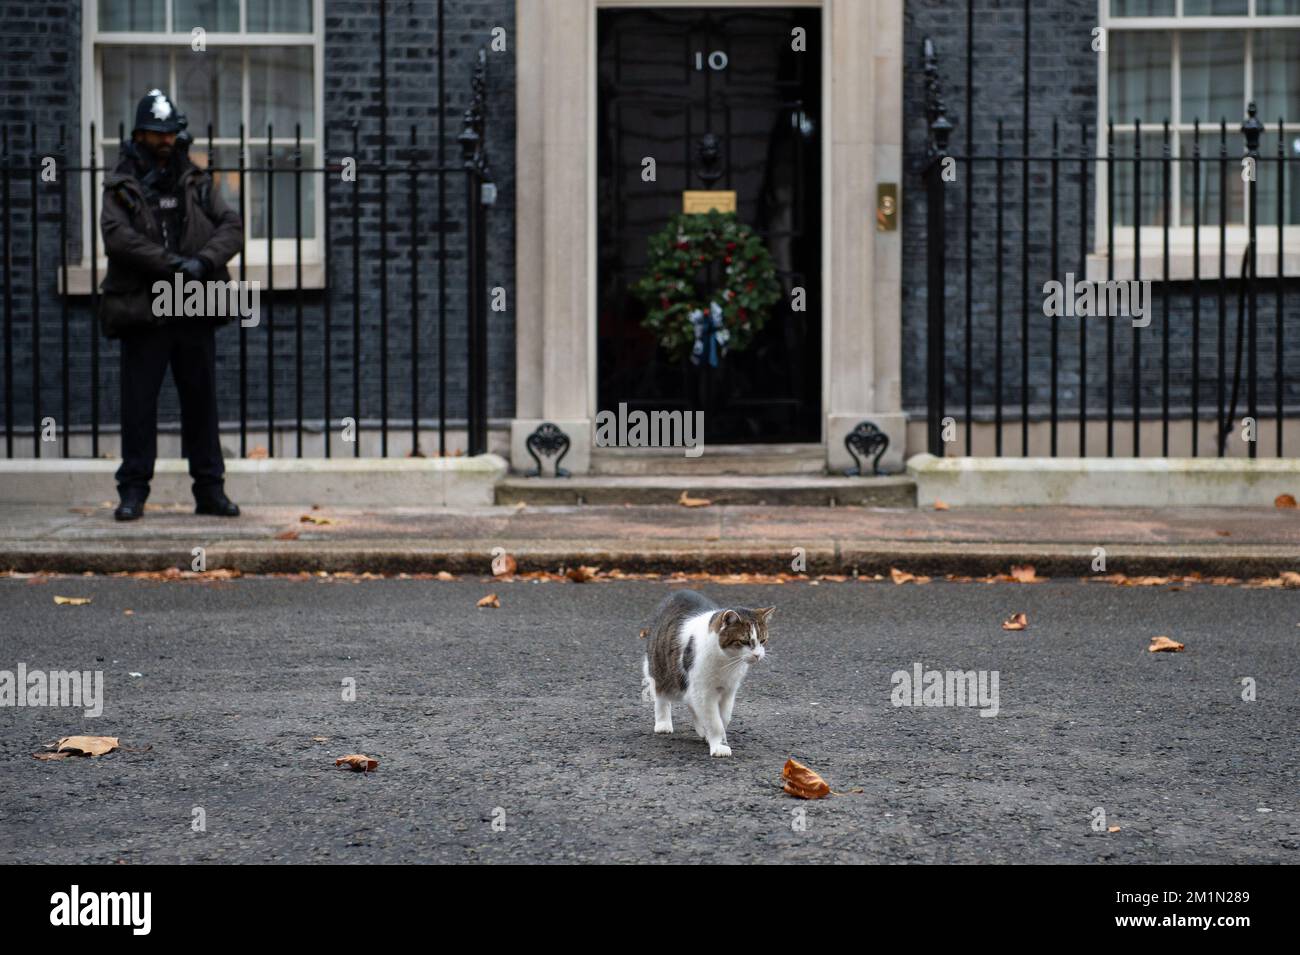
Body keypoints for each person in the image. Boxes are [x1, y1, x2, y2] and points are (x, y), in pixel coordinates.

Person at [99, 89, 244, 521]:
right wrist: (171, 266)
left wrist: (202, 262)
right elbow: (117, 237)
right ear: (140, 133)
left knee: (200, 401)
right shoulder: (121, 183)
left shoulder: (195, 180)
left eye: (171, 134)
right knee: (139, 403)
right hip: (144, 307)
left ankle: (210, 490)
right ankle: (133, 492)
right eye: (158, 134)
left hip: (193, 301)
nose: (166, 142)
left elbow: (231, 226)